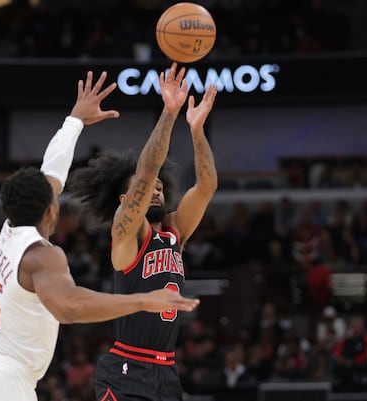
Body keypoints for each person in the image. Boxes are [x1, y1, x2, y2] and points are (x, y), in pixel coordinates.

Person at [0, 70, 200, 401]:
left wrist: (75, 120)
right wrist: (145, 300)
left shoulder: (9, 229)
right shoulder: (42, 254)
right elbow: (70, 308)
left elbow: (52, 170)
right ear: (50, 211)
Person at [69, 62, 218, 401]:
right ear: (126, 200)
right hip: (126, 369)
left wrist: (196, 131)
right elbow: (148, 170)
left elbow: (208, 186)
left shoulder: (174, 230)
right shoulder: (127, 236)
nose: (156, 191)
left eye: (161, 189)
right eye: (147, 188)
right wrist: (169, 113)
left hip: (167, 371)